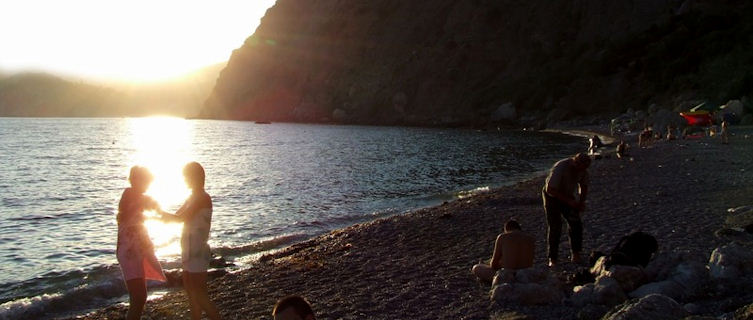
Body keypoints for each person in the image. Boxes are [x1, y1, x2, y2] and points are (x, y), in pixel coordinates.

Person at [160, 162, 221, 320]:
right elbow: (176, 216)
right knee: (190, 291)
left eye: (186, 176)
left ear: (195, 177)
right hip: (188, 249)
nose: (184, 179)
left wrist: (160, 213)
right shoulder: (192, 197)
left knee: (199, 293)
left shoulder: (202, 197)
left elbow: (182, 217)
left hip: (198, 251)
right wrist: (157, 214)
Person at [116, 166, 166, 320]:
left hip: (135, 250)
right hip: (130, 252)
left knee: (140, 296)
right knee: (138, 297)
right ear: (137, 180)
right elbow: (150, 204)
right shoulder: (130, 195)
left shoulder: (134, 197)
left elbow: (142, 213)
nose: (148, 187)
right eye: (146, 182)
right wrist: (165, 214)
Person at [542, 153, 591, 267]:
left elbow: (583, 186)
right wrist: (569, 202)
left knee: (576, 223)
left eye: (584, 168)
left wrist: (581, 202)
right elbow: (550, 189)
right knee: (555, 226)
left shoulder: (583, 171)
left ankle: (576, 253)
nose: (581, 170)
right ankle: (553, 258)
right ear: (575, 162)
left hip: (567, 194)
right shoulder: (561, 167)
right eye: (580, 167)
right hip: (551, 196)